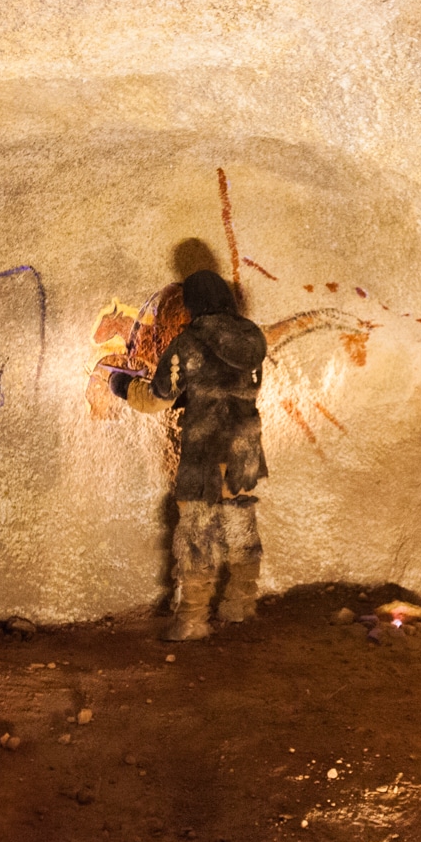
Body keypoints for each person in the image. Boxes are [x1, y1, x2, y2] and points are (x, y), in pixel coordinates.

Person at [112, 270, 269, 640]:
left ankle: (192, 621)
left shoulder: (189, 342)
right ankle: (241, 604)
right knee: (241, 523)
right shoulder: (253, 339)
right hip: (245, 446)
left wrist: (122, 386)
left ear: (194, 303)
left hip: (205, 448)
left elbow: (156, 399)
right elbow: (232, 386)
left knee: (197, 532)